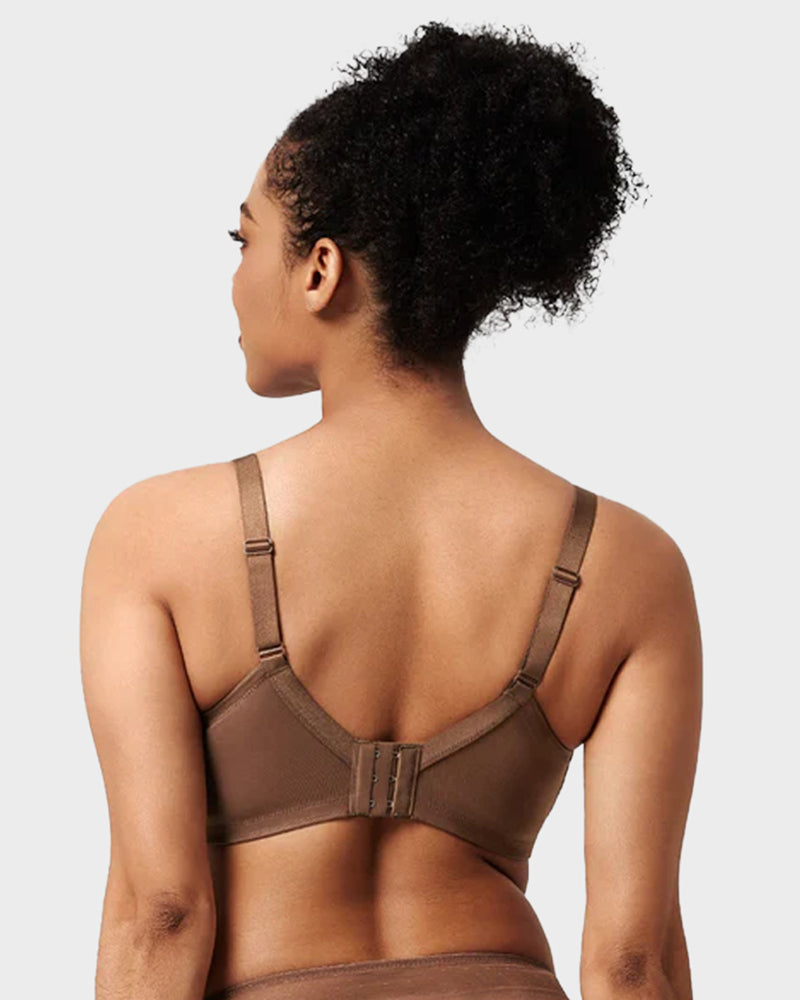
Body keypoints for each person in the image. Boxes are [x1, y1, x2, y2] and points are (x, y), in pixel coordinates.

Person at [80, 21, 701, 1000]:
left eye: (245, 239)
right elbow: (633, 962)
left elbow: (161, 913)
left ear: (319, 269)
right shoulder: (628, 564)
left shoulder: (158, 536)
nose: (236, 277)